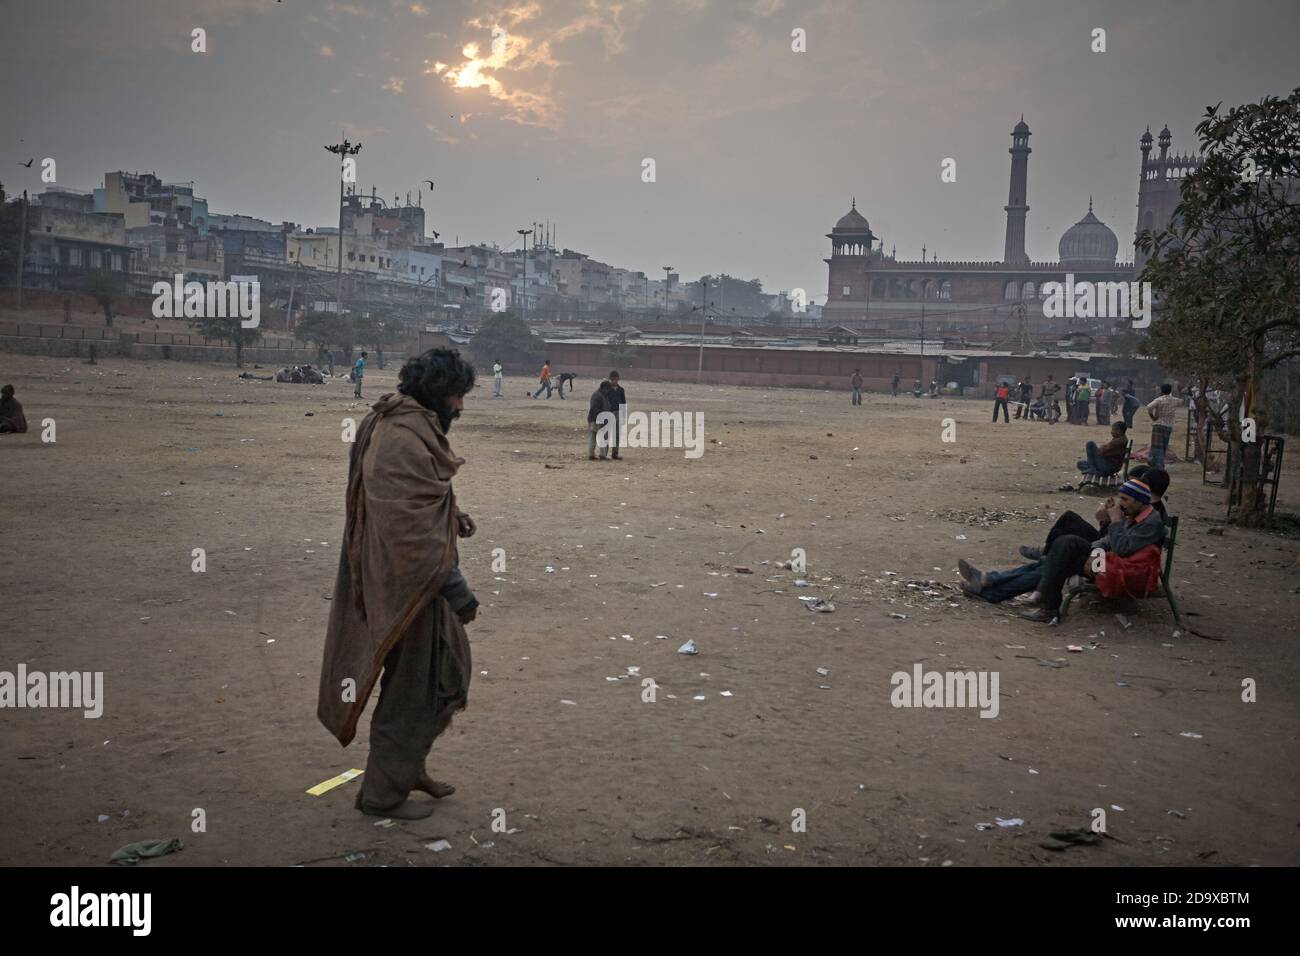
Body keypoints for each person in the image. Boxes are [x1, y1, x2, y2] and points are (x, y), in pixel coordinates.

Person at [318, 348, 479, 821]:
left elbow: (415, 499)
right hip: (405, 588)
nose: (461, 407)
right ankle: (383, 795)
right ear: (437, 394)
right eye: (456, 396)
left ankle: (409, 768)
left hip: (411, 583)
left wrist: (452, 515)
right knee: (414, 688)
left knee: (445, 676)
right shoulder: (400, 436)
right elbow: (405, 531)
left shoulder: (405, 424)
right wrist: (456, 587)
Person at [961, 469, 1169, 606]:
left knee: (1056, 561)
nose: (1120, 503)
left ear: (1140, 500)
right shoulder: (1137, 513)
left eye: (1124, 499)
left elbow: (1123, 549)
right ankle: (990, 583)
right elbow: (1107, 542)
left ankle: (991, 585)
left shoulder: (1151, 522)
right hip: (1106, 560)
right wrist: (1088, 547)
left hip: (1118, 571)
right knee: (1054, 559)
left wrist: (1113, 521)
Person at [1146, 383, 1182, 470]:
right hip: (1168, 425)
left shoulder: (1159, 400)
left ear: (1161, 390)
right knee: (1164, 446)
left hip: (1158, 424)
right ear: (1171, 390)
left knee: (1156, 446)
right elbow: (1181, 401)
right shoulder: (1175, 400)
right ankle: (1156, 463)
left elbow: (1149, 407)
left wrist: (1152, 416)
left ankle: (1156, 464)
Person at [587, 380, 612, 460]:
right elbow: (595, 409)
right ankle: (602, 455)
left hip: (593, 418)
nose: (608, 391)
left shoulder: (599, 394)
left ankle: (591, 454)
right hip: (597, 419)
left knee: (593, 437)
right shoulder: (599, 395)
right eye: (608, 389)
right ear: (604, 388)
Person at [607, 371, 627, 460]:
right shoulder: (606, 389)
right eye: (612, 379)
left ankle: (615, 454)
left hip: (618, 413)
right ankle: (604, 454)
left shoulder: (621, 390)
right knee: (606, 434)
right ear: (610, 379)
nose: (614, 381)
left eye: (615, 379)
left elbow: (623, 403)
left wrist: (623, 416)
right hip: (608, 413)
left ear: (618, 379)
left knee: (617, 435)